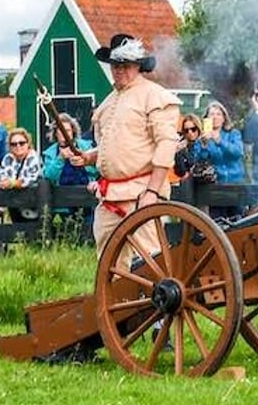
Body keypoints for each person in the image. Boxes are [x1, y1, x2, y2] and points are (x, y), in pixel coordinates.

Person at [68, 34, 179, 260]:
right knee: (108, 264)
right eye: (115, 65)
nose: (119, 70)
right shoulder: (108, 102)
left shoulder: (155, 96)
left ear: (138, 66)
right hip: (109, 197)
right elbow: (116, 145)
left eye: (126, 65)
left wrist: (152, 191)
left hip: (141, 194)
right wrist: (89, 157)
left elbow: (166, 145)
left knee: (149, 261)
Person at [0, 127, 42, 221]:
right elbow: (4, 177)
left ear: (28, 143)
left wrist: (12, 183)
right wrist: (9, 183)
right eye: (13, 144)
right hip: (14, 203)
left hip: (32, 201)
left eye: (21, 143)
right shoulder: (8, 158)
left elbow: (28, 180)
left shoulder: (34, 157)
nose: (18, 146)